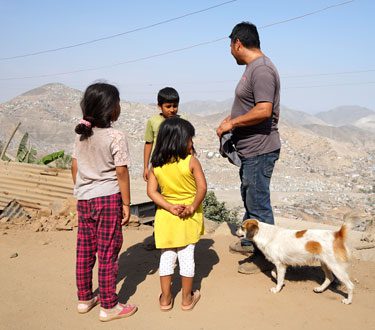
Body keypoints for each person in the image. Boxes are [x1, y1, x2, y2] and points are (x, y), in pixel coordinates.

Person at [216, 22, 281, 274]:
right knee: (249, 198)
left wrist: (232, 122)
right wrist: (230, 122)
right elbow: (250, 106)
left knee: (259, 204)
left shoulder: (261, 70)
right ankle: (250, 241)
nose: (230, 51)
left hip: (259, 149)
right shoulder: (254, 68)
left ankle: (266, 259)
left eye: (230, 47)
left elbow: (264, 110)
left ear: (238, 43)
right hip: (250, 148)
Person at [71, 83, 137, 322]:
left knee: (85, 250)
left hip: (84, 198)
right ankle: (109, 305)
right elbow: (121, 172)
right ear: (111, 109)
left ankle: (85, 297)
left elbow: (75, 167)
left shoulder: (82, 134)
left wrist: (82, 189)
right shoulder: (115, 136)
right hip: (108, 198)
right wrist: (126, 204)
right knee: (108, 251)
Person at [147, 117, 207, 311]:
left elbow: (152, 192)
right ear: (180, 140)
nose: (192, 142)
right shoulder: (191, 161)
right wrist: (191, 206)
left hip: (166, 217)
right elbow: (202, 188)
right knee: (187, 256)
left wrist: (170, 206)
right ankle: (187, 299)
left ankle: (165, 299)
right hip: (188, 217)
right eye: (190, 139)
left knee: (167, 256)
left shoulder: (156, 165)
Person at [142, 87, 180, 251]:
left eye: (175, 106)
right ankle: (158, 235)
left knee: (176, 198)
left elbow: (189, 143)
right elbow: (148, 143)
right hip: (158, 166)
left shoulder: (182, 120)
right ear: (160, 106)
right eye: (168, 106)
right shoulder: (153, 121)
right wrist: (146, 166)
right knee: (158, 201)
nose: (172, 109)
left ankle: (177, 235)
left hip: (177, 167)